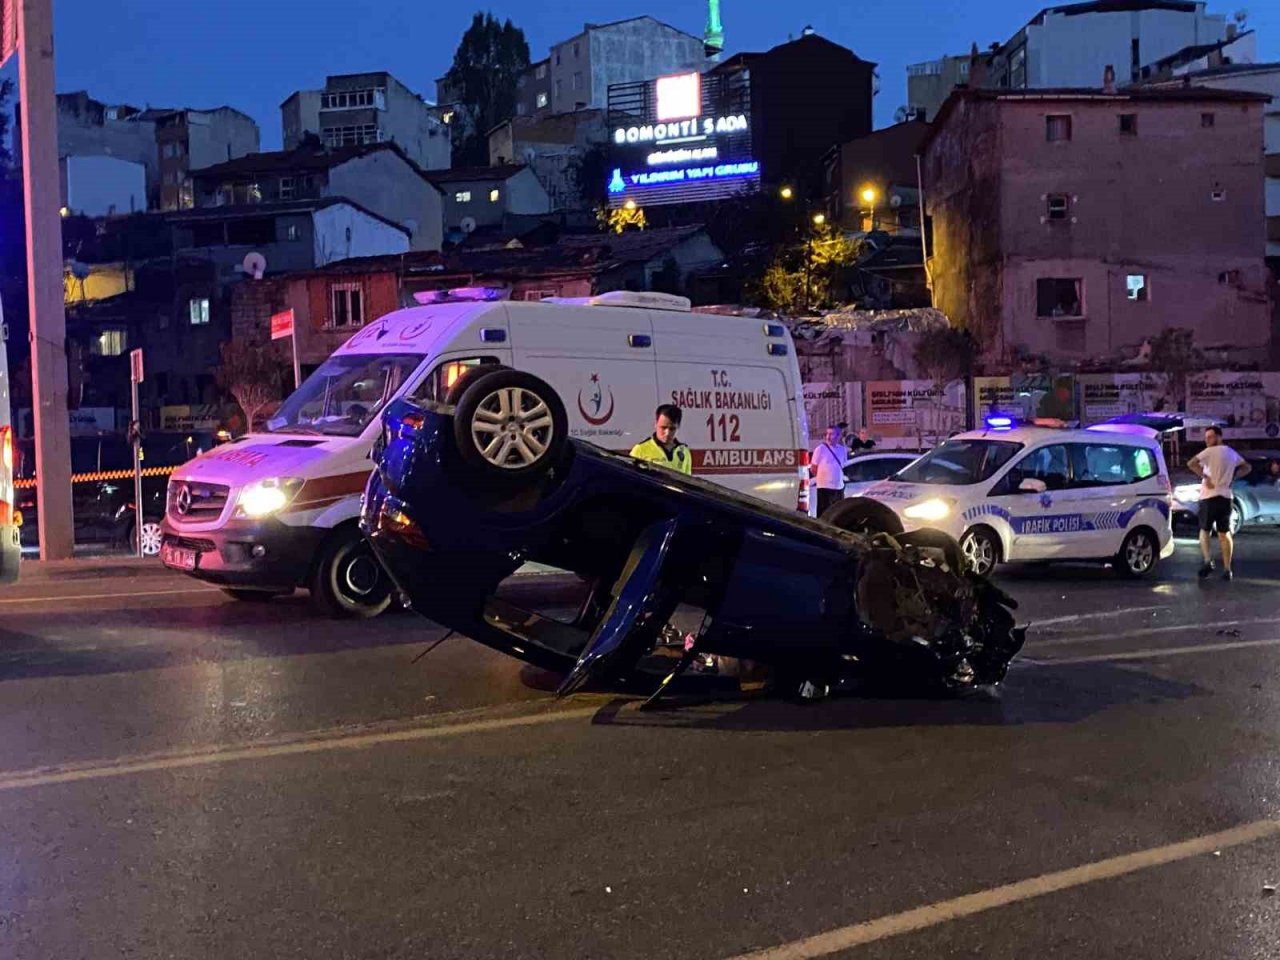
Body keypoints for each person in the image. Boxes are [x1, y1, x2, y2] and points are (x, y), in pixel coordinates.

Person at [1187, 426, 1250, 581]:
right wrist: (1234, 478)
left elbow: (1191, 463)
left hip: (1208, 497)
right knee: (1224, 533)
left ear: (1219, 437)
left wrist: (1205, 477)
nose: (1207, 440)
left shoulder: (1209, 452)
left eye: (1210, 437)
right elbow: (1247, 467)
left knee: (1204, 530)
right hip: (1226, 498)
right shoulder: (1231, 453)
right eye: (1206, 437)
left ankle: (1208, 560)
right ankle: (1228, 569)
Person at [630, 404, 692, 475]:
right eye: (663, 427)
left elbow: (688, 483)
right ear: (656, 424)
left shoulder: (684, 451)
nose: (667, 433)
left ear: (678, 426)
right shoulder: (640, 450)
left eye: (672, 429)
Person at [810, 422, 851, 517]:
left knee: (838, 514)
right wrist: (823, 478)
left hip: (838, 487)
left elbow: (843, 465)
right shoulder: (820, 449)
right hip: (824, 488)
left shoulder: (842, 450)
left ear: (838, 436)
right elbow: (813, 469)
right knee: (824, 514)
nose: (828, 437)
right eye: (827, 434)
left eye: (831, 434)